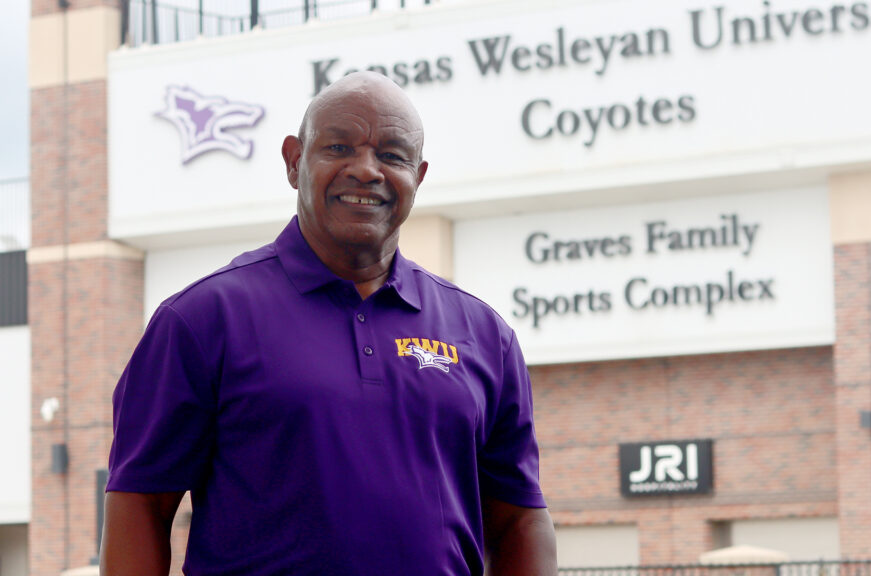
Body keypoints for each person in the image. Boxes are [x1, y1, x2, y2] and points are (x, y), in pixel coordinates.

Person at [100, 71, 557, 576]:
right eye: (339, 147)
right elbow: (141, 504)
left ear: (418, 177)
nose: (366, 170)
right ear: (294, 162)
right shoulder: (200, 320)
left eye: (392, 155)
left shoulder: (484, 336)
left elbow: (519, 520)